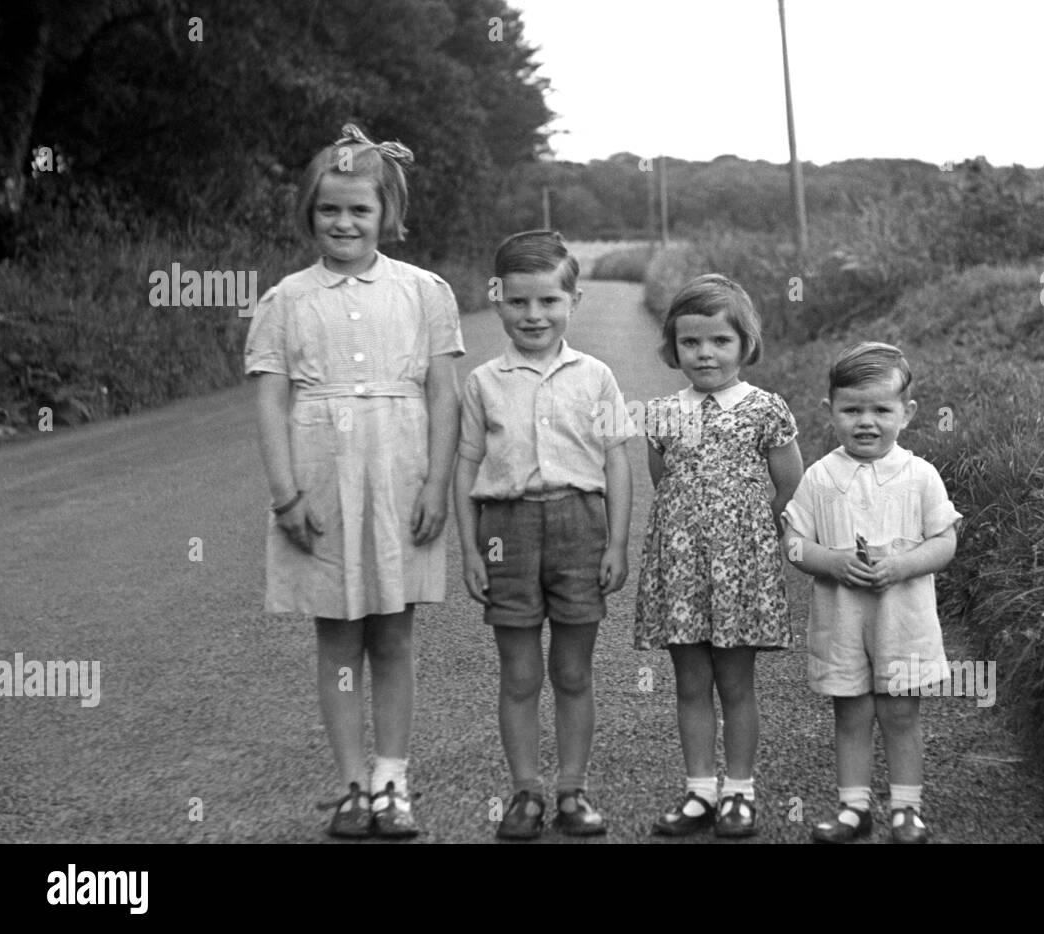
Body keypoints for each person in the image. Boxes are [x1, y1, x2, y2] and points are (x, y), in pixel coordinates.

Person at [244, 124, 463, 839]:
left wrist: (436, 486)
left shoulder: (425, 292)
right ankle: (349, 785)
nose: (343, 223)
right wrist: (285, 494)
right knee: (338, 636)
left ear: (385, 215)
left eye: (359, 211)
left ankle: (392, 779)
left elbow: (443, 395)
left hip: (401, 473)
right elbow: (271, 398)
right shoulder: (285, 299)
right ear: (310, 212)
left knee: (394, 635)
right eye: (330, 210)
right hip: (321, 476)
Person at [455, 229, 632, 839]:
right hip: (507, 528)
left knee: (575, 673)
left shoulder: (597, 377)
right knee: (520, 674)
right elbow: (465, 466)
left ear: (573, 301)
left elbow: (615, 461)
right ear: (497, 299)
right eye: (518, 301)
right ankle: (525, 792)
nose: (534, 315)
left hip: (580, 526)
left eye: (549, 301)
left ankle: (573, 790)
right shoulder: (482, 382)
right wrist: (470, 550)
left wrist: (616, 543)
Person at [635, 274, 803, 838]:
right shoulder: (662, 413)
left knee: (736, 684)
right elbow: (666, 483)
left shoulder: (765, 409)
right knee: (689, 683)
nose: (705, 353)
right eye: (691, 343)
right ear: (673, 347)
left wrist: (744, 529)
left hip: (742, 568)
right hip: (681, 569)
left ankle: (740, 791)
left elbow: (788, 483)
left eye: (719, 342)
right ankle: (699, 790)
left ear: (744, 345)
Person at [782, 341, 961, 844]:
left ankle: (906, 809)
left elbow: (945, 542)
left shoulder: (920, 475)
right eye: (851, 409)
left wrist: (903, 565)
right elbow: (793, 545)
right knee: (851, 712)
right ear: (829, 411)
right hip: (842, 621)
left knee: (901, 714)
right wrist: (831, 562)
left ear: (907, 413)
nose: (866, 421)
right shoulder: (820, 477)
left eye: (881, 410)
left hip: (902, 619)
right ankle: (853, 808)